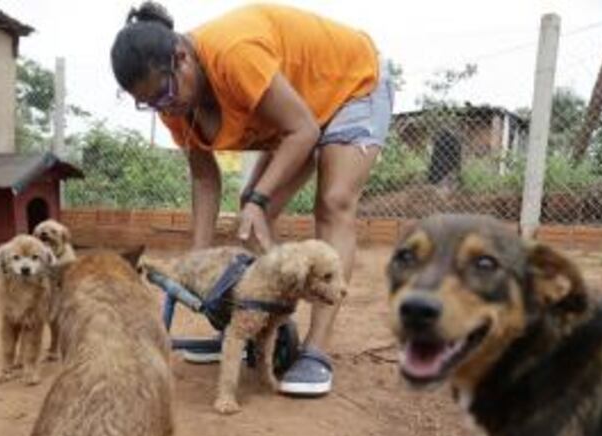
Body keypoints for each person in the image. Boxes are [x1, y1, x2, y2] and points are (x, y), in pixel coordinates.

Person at [111, 2, 394, 397]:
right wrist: (197, 263)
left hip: (352, 84)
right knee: (251, 218)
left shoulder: (233, 54)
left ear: (181, 57)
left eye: (163, 93)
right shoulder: (173, 101)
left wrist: (259, 199)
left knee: (333, 201)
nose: (163, 107)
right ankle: (248, 325)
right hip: (300, 109)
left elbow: (302, 130)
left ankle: (315, 350)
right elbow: (204, 178)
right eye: (149, 103)